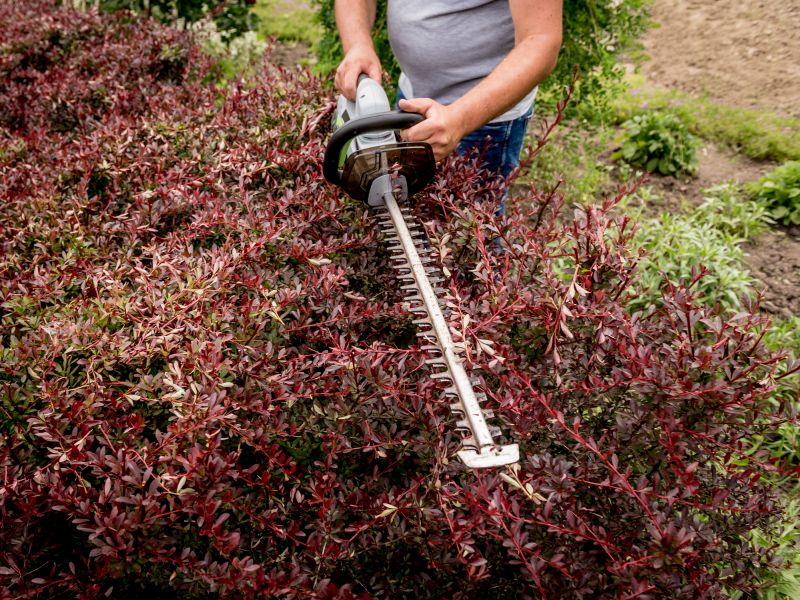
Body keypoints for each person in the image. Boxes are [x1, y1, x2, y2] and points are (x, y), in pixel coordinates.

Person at [333, 0, 563, 186]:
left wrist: (459, 120)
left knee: (469, 234)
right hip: (411, 98)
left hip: (480, 120)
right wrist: (357, 44)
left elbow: (541, 40)